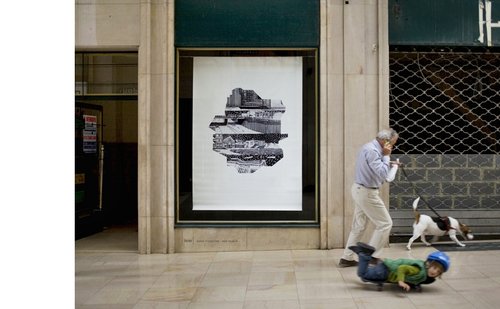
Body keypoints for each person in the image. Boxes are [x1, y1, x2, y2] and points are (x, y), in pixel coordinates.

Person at [339, 128, 401, 267]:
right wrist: (386, 156)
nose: (393, 146)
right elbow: (382, 174)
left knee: (359, 226)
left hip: (360, 190)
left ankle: (346, 258)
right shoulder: (373, 151)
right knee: (385, 223)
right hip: (367, 193)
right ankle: (372, 256)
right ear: (385, 141)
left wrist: (389, 162)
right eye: (392, 143)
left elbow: (371, 167)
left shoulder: (368, 147)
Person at [349, 242, 450, 292]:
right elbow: (402, 269)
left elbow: (412, 277)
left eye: (438, 271)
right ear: (428, 264)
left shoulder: (423, 270)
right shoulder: (419, 270)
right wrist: (401, 281)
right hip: (386, 272)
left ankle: (364, 254)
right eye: (434, 267)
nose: (434, 271)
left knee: (365, 277)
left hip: (386, 268)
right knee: (362, 274)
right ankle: (364, 254)